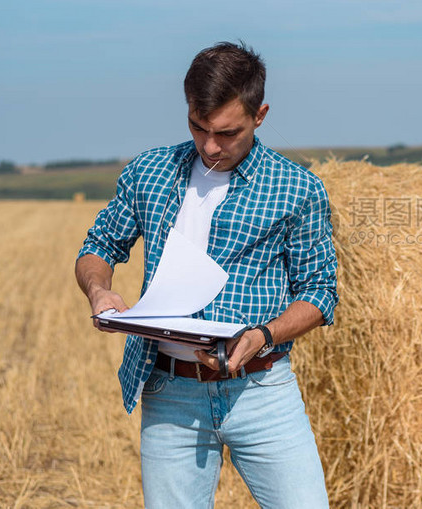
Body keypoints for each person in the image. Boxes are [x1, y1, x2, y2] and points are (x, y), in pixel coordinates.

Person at [75, 41, 338, 508]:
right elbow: (99, 246)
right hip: (169, 392)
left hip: (263, 392)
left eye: (227, 132)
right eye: (198, 128)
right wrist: (99, 291)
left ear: (260, 115)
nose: (210, 146)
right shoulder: (149, 171)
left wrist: (263, 334)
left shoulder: (298, 189)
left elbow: (319, 293)